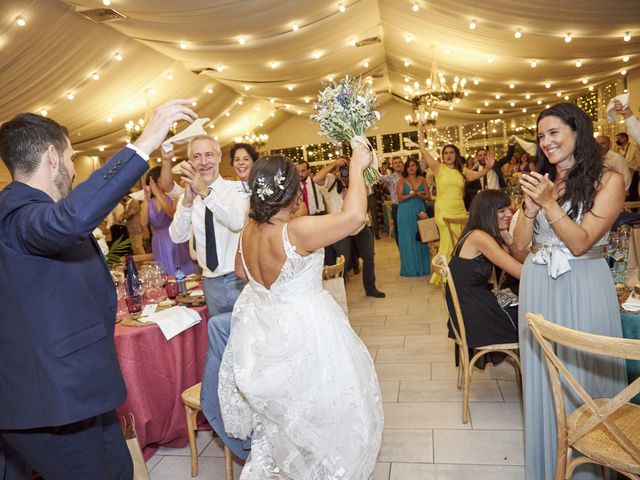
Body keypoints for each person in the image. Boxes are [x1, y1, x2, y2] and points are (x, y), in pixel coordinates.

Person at [0, 100, 195, 479]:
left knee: (120, 469)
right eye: (72, 158)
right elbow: (70, 219)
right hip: (51, 403)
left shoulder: (28, 210)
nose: (74, 169)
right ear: (53, 157)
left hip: (77, 392)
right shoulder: (17, 213)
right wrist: (144, 144)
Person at [218, 147, 383, 479]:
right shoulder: (296, 231)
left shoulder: (248, 229)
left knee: (286, 418)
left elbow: (240, 270)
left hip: (267, 331)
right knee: (325, 413)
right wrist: (355, 164)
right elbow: (353, 219)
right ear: (291, 192)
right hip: (308, 331)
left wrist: (272, 290)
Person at [513, 102, 627, 480]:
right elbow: (517, 248)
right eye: (541, 136)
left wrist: (548, 203)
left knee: (582, 377)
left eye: (553, 132)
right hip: (537, 287)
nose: (545, 142)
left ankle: (590, 469)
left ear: (577, 130)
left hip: (582, 286)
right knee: (545, 380)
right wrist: (530, 210)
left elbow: (581, 243)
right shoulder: (546, 182)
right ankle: (551, 465)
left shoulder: (609, 180)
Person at [159, 137, 251, 460]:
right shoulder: (192, 196)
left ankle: (254, 421)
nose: (203, 161)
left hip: (239, 283)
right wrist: (186, 199)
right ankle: (233, 422)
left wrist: (206, 193)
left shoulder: (236, 190)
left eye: (209, 154)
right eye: (196, 156)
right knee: (225, 358)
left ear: (219, 156)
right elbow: (176, 236)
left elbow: (237, 221)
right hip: (211, 284)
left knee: (247, 353)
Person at [446, 190, 522, 366]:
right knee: (532, 318)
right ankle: (534, 376)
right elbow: (520, 271)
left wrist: (508, 239)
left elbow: (515, 263)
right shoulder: (479, 237)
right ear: (486, 212)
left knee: (520, 302)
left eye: (508, 209)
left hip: (470, 306)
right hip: (473, 314)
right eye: (502, 210)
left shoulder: (477, 233)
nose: (509, 214)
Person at [417, 122, 494, 284]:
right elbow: (423, 151)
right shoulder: (438, 168)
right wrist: (420, 132)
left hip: (459, 210)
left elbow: (475, 176)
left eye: (451, 152)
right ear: (442, 156)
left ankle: (454, 274)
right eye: (446, 153)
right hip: (443, 211)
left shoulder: (462, 171)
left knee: (459, 242)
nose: (449, 155)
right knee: (447, 241)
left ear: (456, 155)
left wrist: (487, 168)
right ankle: (444, 276)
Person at [314, 156, 385, 298]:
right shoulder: (331, 180)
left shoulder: (358, 181)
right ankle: (339, 294)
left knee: (369, 257)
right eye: (343, 168)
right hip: (340, 227)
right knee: (342, 264)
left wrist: (356, 175)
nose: (345, 171)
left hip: (360, 225)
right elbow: (316, 179)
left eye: (347, 167)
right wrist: (335, 164)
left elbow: (368, 191)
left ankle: (370, 288)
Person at [141, 167, 194, 275]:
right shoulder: (149, 202)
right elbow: (143, 223)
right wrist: (146, 201)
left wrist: (158, 195)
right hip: (158, 241)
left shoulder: (174, 197)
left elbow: (172, 214)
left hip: (174, 238)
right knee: (164, 273)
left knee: (180, 272)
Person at [396, 158, 431, 276]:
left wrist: (419, 194)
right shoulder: (401, 180)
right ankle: (410, 268)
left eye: (413, 165)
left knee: (421, 237)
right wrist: (413, 194)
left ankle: (423, 267)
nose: (411, 168)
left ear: (417, 167)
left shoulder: (422, 179)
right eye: (409, 166)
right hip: (405, 212)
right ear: (406, 168)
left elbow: (428, 197)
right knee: (408, 238)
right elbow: (400, 198)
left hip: (419, 210)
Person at [379, 156, 404, 245]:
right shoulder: (390, 177)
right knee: (398, 230)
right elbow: (375, 177)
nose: (397, 164)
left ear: (402, 164)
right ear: (392, 166)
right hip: (397, 206)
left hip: (407, 205)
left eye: (399, 162)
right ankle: (401, 249)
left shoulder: (408, 175)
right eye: (395, 163)